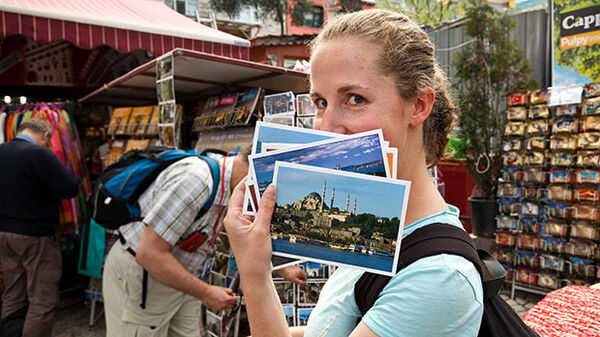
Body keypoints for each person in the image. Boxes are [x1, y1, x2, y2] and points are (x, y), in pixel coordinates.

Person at [224, 9, 484, 337]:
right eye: (320, 102)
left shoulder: (438, 277)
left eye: (355, 99)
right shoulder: (381, 236)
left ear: (418, 106)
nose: (328, 126)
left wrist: (254, 275)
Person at [102, 147, 306, 337]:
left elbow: (240, 234)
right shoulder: (196, 181)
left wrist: (279, 267)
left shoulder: (230, 181)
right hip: (144, 280)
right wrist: (207, 292)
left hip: (181, 280)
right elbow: (149, 254)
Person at [0, 118, 80, 337]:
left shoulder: (2, 150)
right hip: (35, 235)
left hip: (4, 233)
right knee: (42, 298)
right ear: (45, 134)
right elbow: (70, 187)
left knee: (13, 293)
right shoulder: (39, 154)